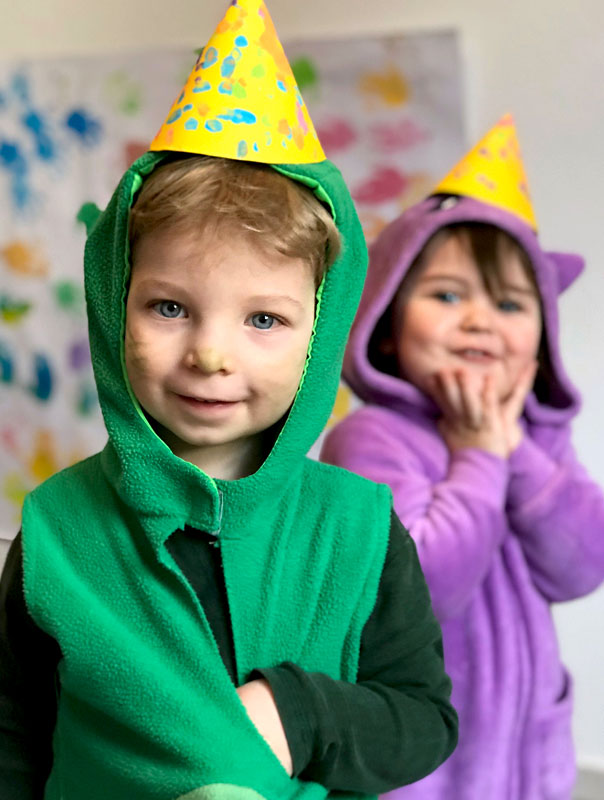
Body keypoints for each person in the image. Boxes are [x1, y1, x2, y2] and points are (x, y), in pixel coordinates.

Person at [0, 2, 457, 799]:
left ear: (319, 336)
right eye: (170, 307)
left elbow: (424, 720)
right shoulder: (53, 532)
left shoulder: (360, 528)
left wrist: (303, 712)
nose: (212, 353)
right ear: (116, 303)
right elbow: (13, 733)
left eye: (264, 319)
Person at [321, 115, 604, 800]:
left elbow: (582, 566)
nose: (480, 320)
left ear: (542, 338)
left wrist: (515, 455)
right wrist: (478, 457)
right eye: (448, 296)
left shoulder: (535, 438)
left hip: (527, 748)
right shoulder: (372, 439)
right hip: (426, 763)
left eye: (510, 303)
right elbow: (424, 591)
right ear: (386, 328)